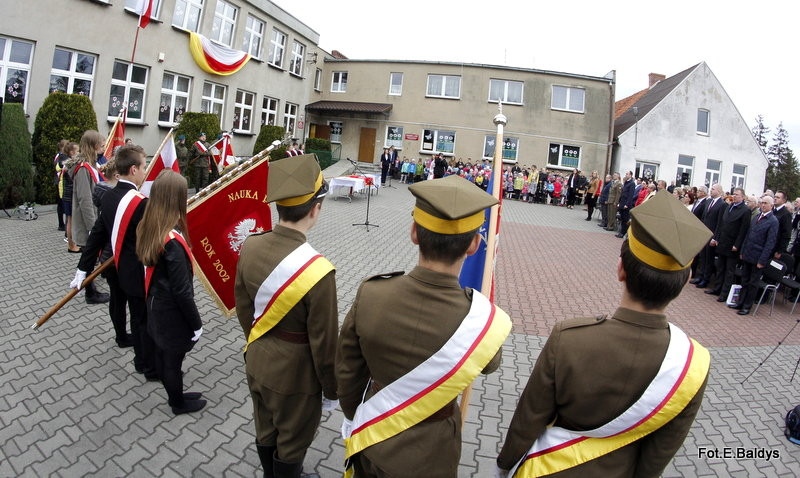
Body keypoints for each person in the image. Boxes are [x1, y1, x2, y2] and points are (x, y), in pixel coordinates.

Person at [496, 190, 711, 478]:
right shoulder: (694, 364)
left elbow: (529, 418)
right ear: (685, 282)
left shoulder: (570, 338)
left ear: (621, 269)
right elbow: (659, 452)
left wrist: (505, 464)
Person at [336, 175, 510, 478]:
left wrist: (357, 416)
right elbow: (490, 365)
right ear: (474, 244)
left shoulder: (371, 293)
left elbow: (347, 369)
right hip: (433, 453)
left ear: (414, 232)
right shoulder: (481, 320)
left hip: (371, 439)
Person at [234, 155, 337, 478]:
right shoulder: (319, 271)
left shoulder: (250, 245)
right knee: (293, 441)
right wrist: (332, 390)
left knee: (265, 427)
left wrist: (259, 338)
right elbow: (325, 344)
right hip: (296, 374)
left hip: (258, 355)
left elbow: (243, 307)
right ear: (316, 208)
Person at [71, 145, 157, 372]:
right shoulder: (142, 203)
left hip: (111, 264)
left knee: (118, 302)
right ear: (133, 169)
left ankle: (121, 337)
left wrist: (83, 269)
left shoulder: (108, 197)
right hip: (134, 271)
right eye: (144, 165)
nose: (145, 169)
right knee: (140, 317)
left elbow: (96, 236)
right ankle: (144, 364)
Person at [134, 170, 205, 415]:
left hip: (156, 304)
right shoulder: (172, 242)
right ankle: (177, 403)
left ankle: (177, 393)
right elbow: (182, 292)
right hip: (172, 314)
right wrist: (196, 324)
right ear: (175, 199)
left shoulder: (149, 224)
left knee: (166, 357)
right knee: (172, 362)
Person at [70, 130, 110, 304]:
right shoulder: (82, 169)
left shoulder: (90, 165)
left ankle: (90, 290)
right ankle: (90, 293)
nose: (103, 148)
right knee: (88, 256)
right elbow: (85, 200)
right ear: (94, 146)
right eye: (101, 145)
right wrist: (93, 228)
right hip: (88, 222)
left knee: (89, 256)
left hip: (94, 219)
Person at [730, 195, 779, 315]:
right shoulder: (757, 216)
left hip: (758, 257)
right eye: (762, 203)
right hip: (748, 253)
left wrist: (762, 260)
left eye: (766, 203)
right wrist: (742, 251)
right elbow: (748, 235)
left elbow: (770, 243)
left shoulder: (773, 221)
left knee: (753, 283)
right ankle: (740, 302)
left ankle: (747, 306)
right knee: (744, 279)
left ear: (771, 206)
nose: (763, 205)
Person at [708, 187, 750, 302]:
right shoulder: (729, 206)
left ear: (743, 197)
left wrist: (737, 244)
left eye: (737, 194)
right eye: (734, 194)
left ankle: (724, 293)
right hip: (723, 241)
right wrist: (717, 238)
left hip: (732, 244)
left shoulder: (745, 210)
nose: (734, 196)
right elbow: (722, 224)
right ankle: (717, 288)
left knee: (729, 271)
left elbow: (743, 230)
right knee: (720, 267)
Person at [696, 184, 726, 289]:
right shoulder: (708, 201)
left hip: (712, 234)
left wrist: (715, 237)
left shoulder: (722, 204)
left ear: (718, 191)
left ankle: (706, 279)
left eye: (713, 189)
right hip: (704, 233)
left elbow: (720, 223)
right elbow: (704, 218)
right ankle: (700, 276)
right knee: (702, 256)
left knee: (709, 258)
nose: (711, 191)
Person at [62, 142, 81, 253]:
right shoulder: (69, 165)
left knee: (70, 220)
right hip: (70, 196)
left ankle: (72, 243)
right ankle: (71, 245)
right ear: (71, 152)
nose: (79, 153)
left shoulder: (68, 164)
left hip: (68, 196)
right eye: (77, 151)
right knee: (70, 221)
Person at [773, 191, 792, 259]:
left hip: (775, 247)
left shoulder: (786, 214)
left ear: (784, 200)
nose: (775, 198)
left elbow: (786, 234)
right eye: (774, 197)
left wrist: (780, 251)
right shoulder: (771, 210)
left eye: (778, 197)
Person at [616, 171, 635, 238]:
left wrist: (627, 204)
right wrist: (619, 202)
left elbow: (630, 195)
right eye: (626, 174)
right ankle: (621, 232)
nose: (626, 175)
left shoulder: (632, 183)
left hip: (626, 205)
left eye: (627, 174)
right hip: (622, 203)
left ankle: (623, 233)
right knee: (622, 218)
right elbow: (622, 193)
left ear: (630, 175)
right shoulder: (626, 182)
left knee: (625, 219)